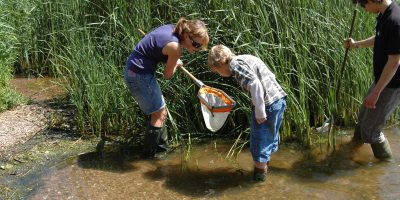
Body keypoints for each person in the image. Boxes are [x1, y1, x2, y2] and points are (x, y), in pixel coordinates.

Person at [124, 18, 209, 158]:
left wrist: (172, 60)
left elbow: (158, 49)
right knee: (159, 114)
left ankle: (161, 150)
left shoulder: (173, 28)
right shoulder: (175, 47)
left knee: (160, 111)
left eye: (199, 47)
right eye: (195, 44)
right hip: (139, 75)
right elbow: (167, 75)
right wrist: (175, 62)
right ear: (187, 35)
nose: (196, 49)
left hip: (133, 69)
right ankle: (148, 157)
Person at [207, 45, 287, 181]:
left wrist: (260, 111)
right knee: (268, 140)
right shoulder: (245, 58)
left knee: (259, 143)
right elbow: (270, 75)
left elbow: (255, 84)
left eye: (217, 71)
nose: (219, 74)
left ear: (220, 63)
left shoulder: (234, 65)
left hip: (267, 105)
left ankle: (258, 182)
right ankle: (265, 172)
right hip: (279, 99)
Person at [345, 0, 400, 161]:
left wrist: (376, 93)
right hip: (382, 80)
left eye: (363, 5)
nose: (364, 9)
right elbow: (380, 38)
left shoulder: (395, 21)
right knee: (363, 118)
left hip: (392, 85)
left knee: (371, 131)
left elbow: (395, 62)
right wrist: (356, 45)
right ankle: (351, 150)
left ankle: (384, 164)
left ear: (372, 0)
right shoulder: (385, 15)